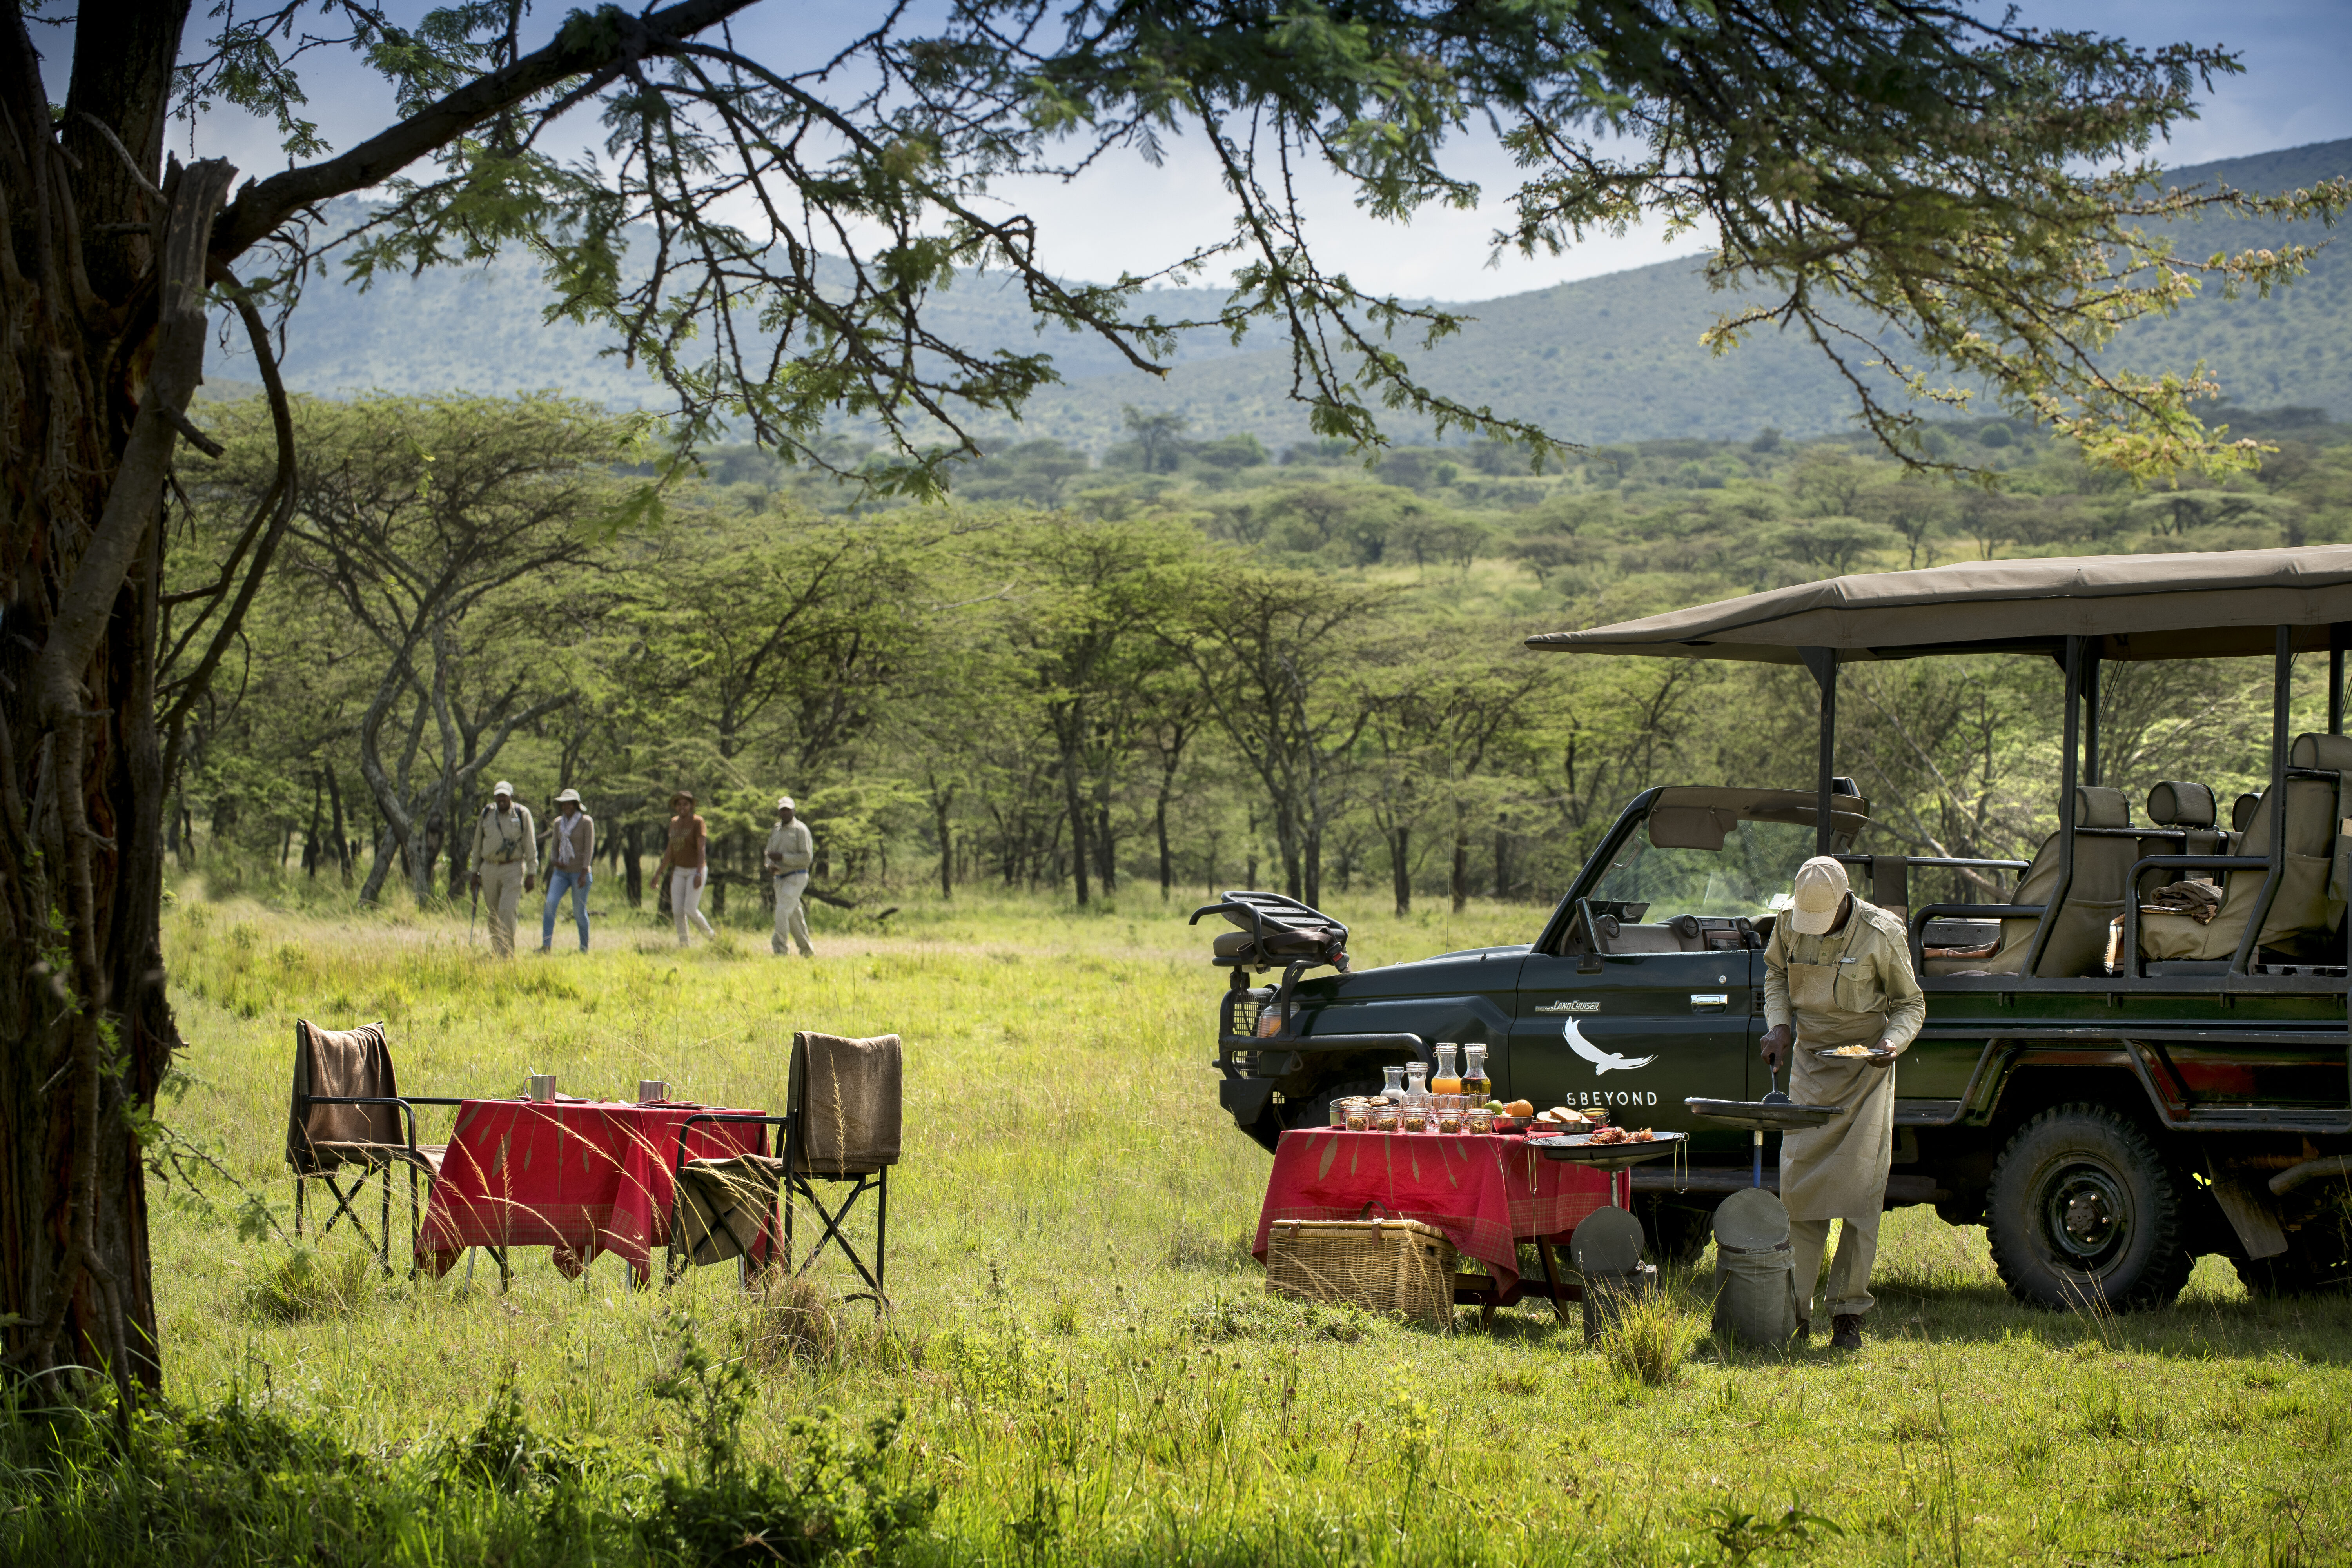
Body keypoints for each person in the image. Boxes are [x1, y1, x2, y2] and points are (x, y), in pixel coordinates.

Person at [1758, 855, 1924, 1351]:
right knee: (1799, 1187)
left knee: (1860, 1194)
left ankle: (1848, 1313)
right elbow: (1775, 976)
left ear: (1845, 901)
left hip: (1866, 1070)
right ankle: (1794, 1312)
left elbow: (1910, 1004)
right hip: (1811, 1065)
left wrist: (1892, 1045)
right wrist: (1779, 1024)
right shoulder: (1790, 923)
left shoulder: (1882, 932)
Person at [468, 781, 537, 958]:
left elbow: (530, 845)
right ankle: (497, 950)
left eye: (504, 796)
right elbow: (477, 845)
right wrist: (474, 872)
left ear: (511, 797)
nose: (501, 799)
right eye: (498, 796)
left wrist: (532, 873)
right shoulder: (487, 814)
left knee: (507, 912)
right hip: (489, 868)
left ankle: (506, 955)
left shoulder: (522, 814)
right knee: (493, 914)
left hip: (513, 868)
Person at [654, 790, 716, 946]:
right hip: (679, 870)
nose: (682, 807)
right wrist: (657, 874)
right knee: (677, 911)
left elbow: (702, 849)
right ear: (676, 807)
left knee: (690, 908)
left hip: (695, 870)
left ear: (691, 806)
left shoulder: (698, 822)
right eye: (679, 804)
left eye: (686, 804)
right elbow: (670, 851)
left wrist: (699, 872)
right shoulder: (674, 822)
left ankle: (711, 936)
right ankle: (684, 945)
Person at [540, 788, 596, 953]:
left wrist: (585, 871)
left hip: (580, 872)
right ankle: (546, 946)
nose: (568, 807)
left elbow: (589, 848)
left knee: (579, 911)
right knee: (550, 903)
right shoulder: (559, 823)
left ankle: (584, 948)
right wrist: (554, 861)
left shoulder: (586, 822)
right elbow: (554, 846)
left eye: (571, 803)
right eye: (565, 804)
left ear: (577, 805)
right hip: (561, 872)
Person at [762, 795, 816, 956]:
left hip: (797, 877)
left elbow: (807, 858)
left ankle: (780, 950)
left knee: (781, 910)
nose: (785, 813)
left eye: (788, 810)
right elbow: (769, 853)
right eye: (782, 810)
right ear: (779, 812)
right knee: (794, 917)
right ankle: (807, 951)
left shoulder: (801, 830)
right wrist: (770, 865)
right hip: (780, 879)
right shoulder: (776, 830)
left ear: (793, 810)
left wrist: (783, 858)